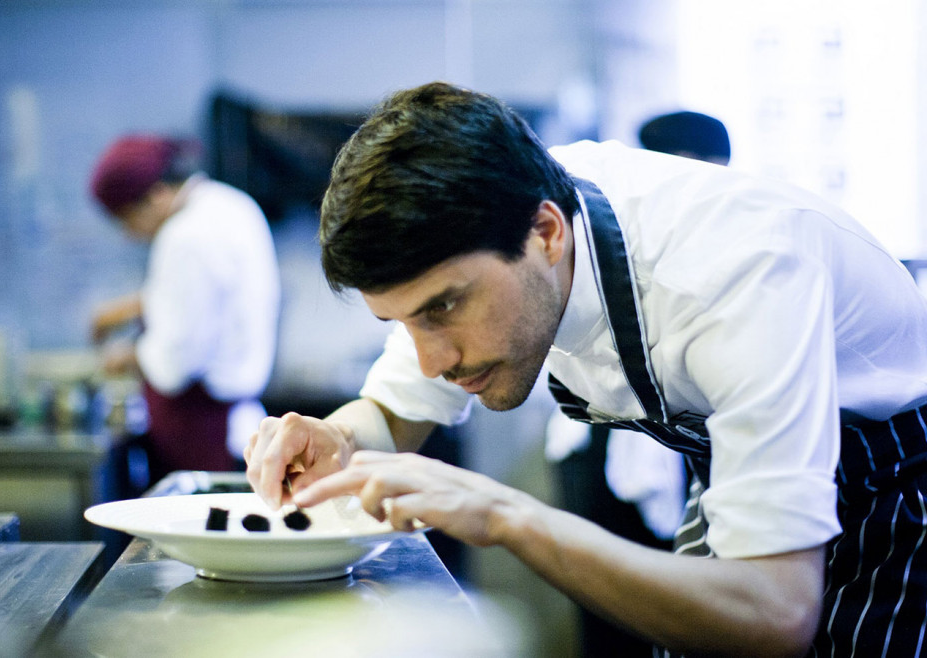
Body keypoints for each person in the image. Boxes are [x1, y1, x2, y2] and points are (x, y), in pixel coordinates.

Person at [245, 82, 927, 657]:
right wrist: (337, 439)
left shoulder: (736, 275)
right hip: (740, 472)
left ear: (548, 233)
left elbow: (777, 613)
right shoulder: (493, 218)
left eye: (444, 307)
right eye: (403, 322)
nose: (433, 360)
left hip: (897, 490)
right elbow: (391, 415)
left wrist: (508, 513)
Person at [543, 108, 733, 655]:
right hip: (596, 443)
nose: (702, 186)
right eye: (695, 169)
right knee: (607, 601)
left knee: (671, 597)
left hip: (679, 440)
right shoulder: (608, 219)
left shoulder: (722, 240)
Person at [90, 135, 280, 483]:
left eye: (128, 219)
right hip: (234, 423)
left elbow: (177, 363)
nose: (131, 234)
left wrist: (129, 355)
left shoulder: (183, 236)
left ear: (157, 194)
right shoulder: (230, 204)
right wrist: (133, 307)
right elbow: (204, 300)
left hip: (202, 430)